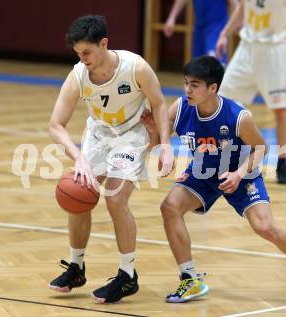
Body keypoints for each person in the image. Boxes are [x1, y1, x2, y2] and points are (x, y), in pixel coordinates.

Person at [143, 56, 286, 305]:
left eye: (194, 85)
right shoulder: (181, 108)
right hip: (203, 173)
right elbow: (157, 144)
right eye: (186, 83)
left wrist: (238, 174)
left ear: (212, 88)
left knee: (266, 228)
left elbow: (261, 148)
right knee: (169, 207)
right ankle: (190, 278)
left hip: (240, 171)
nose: (187, 90)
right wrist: (154, 131)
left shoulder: (238, 116)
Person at [47, 15, 173, 304]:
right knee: (79, 192)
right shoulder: (79, 73)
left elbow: (158, 103)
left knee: (115, 198)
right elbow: (55, 124)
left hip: (131, 134)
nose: (83, 59)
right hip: (98, 135)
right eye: (78, 53)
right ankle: (76, 266)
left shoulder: (135, 67)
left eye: (87, 52)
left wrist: (165, 144)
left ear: (104, 44)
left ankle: (128, 275)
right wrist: (78, 157)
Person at [215, 0, 286, 184]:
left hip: (274, 51)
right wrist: (224, 33)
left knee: (280, 111)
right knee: (221, 101)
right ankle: (226, 156)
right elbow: (242, 9)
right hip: (247, 48)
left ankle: (283, 164)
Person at [163, 0, 238, 62]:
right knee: (198, 68)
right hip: (199, 28)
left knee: (214, 64)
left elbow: (235, 4)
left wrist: (241, 23)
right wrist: (172, 17)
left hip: (217, 27)